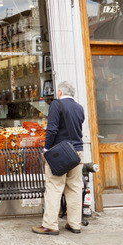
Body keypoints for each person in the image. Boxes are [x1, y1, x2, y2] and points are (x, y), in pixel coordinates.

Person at [33, 81, 85, 235]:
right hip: (78, 152)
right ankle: (75, 224)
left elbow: (52, 129)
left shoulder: (57, 105)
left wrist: (46, 149)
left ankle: (50, 225)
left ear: (60, 92)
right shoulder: (79, 108)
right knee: (75, 187)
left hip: (60, 153)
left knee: (54, 187)